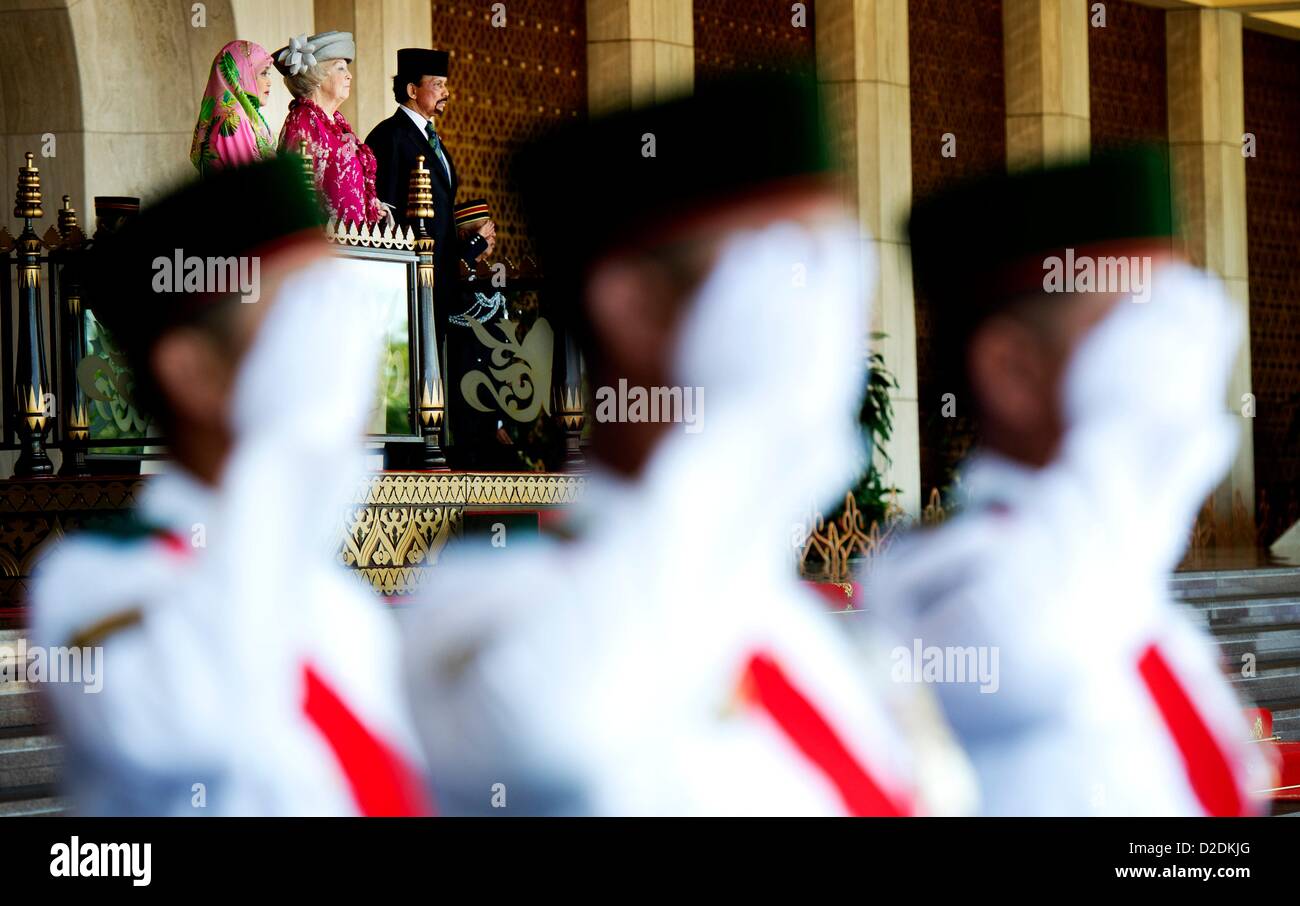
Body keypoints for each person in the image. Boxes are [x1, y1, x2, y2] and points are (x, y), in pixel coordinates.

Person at [399, 74, 966, 816]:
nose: (830, 314)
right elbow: (555, 726)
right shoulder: (490, 614)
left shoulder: (796, 635)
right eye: (787, 270)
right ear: (632, 306)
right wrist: (741, 429)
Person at [865, 150, 1273, 816]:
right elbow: (1030, 648)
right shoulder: (970, 605)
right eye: (1140, 329)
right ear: (1013, 372)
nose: (1180, 361)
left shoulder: (1130, 598)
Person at [29, 158, 429, 816]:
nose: (340, 347)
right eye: (302, 318)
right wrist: (287, 448)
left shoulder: (338, 604)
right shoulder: (95, 583)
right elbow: (199, 729)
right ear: (193, 373)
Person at [274, 31, 389, 227]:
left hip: (353, 241)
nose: (349, 75)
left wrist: (370, 207)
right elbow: (296, 191)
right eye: (341, 68)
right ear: (317, 75)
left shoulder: (337, 121)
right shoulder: (303, 118)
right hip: (324, 242)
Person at [190, 40, 277, 176]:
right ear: (243, 75)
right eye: (263, 73)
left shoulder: (239, 115)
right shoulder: (234, 119)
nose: (269, 82)